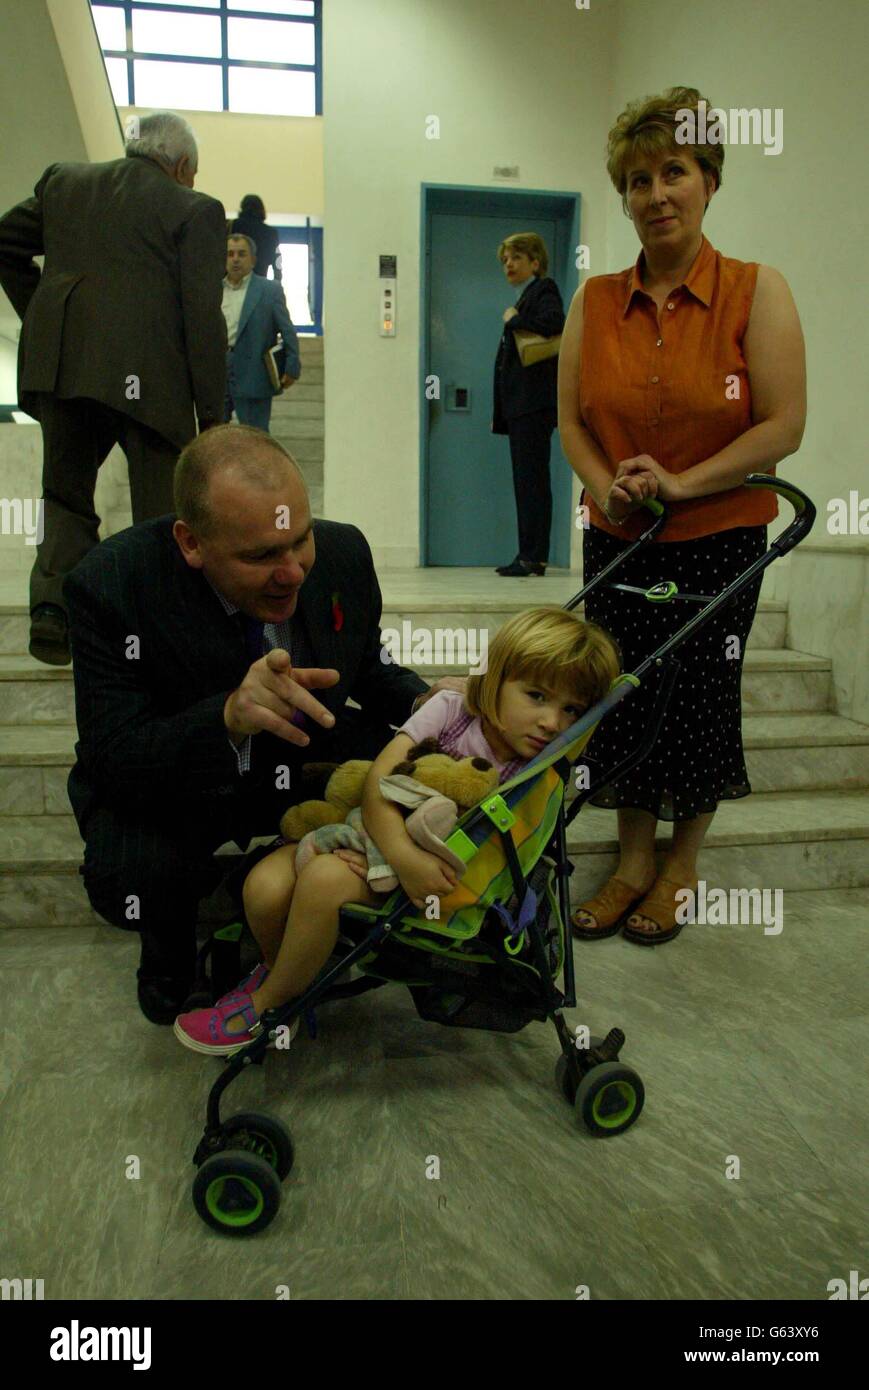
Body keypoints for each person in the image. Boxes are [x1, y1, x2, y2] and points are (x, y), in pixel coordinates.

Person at [64, 424, 461, 1027]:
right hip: (184, 773)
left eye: (299, 541)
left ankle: (310, 908)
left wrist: (425, 705)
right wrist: (226, 717)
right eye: (260, 556)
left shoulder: (344, 552)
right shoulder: (111, 585)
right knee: (133, 872)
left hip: (304, 748)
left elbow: (370, 667)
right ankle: (170, 951)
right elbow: (116, 754)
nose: (293, 572)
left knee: (408, 778)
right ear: (191, 543)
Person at [558, 86, 806, 946]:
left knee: (700, 697)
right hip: (620, 540)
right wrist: (605, 486)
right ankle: (629, 862)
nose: (654, 193)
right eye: (636, 179)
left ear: (707, 181)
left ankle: (680, 866)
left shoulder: (753, 290)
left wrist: (683, 482)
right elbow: (570, 423)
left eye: (673, 172)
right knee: (618, 692)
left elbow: (783, 425)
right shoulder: (592, 302)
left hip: (718, 541)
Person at [173, 607, 621, 1055]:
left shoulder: (536, 769)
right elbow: (378, 781)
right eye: (537, 695)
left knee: (324, 880)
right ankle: (284, 971)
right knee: (263, 886)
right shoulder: (452, 710)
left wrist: (404, 864)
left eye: (572, 709)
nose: (552, 722)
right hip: (379, 835)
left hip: (437, 881)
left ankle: (269, 1003)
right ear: (496, 678)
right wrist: (396, 851)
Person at [0, 111, 227, 666]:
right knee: (159, 514)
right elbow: (202, 320)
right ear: (180, 166)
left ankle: (53, 611)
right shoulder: (194, 209)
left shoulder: (65, 183)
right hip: (152, 383)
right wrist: (214, 420)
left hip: (68, 375)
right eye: (192, 173)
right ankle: (151, 632)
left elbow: (5, 241)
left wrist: (47, 319)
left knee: (66, 496)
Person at [492, 233, 566, 577]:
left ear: (535, 262)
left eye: (516, 258)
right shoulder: (526, 296)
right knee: (528, 480)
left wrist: (513, 319)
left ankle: (532, 556)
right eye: (506, 259)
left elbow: (555, 324)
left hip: (533, 405)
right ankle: (530, 554)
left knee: (532, 481)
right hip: (524, 406)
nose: (509, 264)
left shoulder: (543, 289)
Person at [223, 234, 300, 432]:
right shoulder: (214, 291)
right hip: (218, 373)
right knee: (214, 439)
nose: (235, 259)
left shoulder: (269, 290)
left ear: (253, 260)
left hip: (254, 374)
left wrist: (292, 365)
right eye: (230, 254)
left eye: (242, 254)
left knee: (255, 439)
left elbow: (287, 330)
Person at [231, 194, 282, 281]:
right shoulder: (270, 232)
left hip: (234, 277)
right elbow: (277, 260)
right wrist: (277, 282)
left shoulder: (232, 226)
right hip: (260, 277)